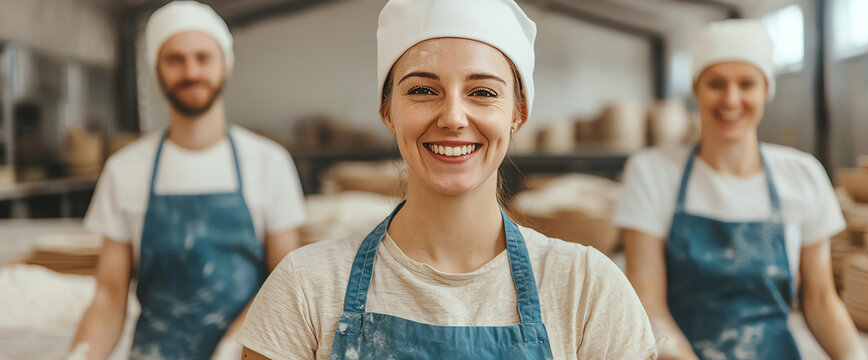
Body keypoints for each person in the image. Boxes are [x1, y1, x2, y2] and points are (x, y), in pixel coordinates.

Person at [236, 0, 657, 358]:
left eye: (483, 92)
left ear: (518, 114)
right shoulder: (306, 288)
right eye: (422, 90)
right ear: (387, 112)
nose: (453, 117)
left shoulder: (587, 289)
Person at [616, 19, 867, 360]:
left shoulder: (802, 175)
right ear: (696, 89)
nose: (731, 99)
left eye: (746, 84)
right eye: (716, 84)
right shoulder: (651, 172)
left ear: (766, 90)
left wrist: (856, 356)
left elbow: (821, 299)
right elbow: (647, 302)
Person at [67, 2, 306, 359]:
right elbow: (109, 296)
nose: (190, 71)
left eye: (202, 57)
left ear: (225, 64)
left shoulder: (269, 163)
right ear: (156, 70)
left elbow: (286, 283)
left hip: (246, 352)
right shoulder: (124, 169)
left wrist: (232, 347)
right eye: (175, 59)